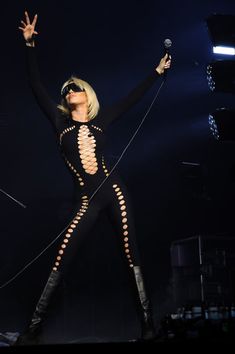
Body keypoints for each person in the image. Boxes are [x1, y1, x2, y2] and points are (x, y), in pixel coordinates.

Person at [16, 11, 171, 345]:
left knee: (131, 251)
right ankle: (32, 329)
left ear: (87, 94)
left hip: (113, 190)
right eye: (67, 88)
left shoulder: (102, 122)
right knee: (62, 255)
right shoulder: (60, 125)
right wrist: (29, 45)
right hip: (86, 199)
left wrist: (156, 72)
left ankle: (148, 324)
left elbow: (131, 99)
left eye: (76, 86)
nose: (70, 89)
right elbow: (35, 85)